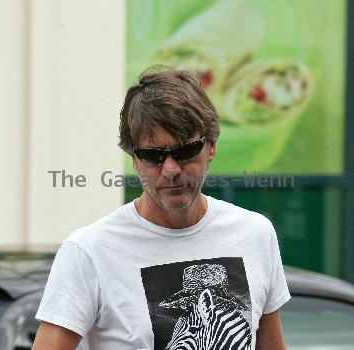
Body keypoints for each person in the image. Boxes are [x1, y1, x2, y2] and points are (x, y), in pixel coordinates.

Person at [33, 68, 290, 350]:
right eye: (152, 155)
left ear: (212, 147)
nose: (170, 170)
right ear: (134, 159)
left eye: (184, 151)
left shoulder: (255, 234)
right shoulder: (89, 252)